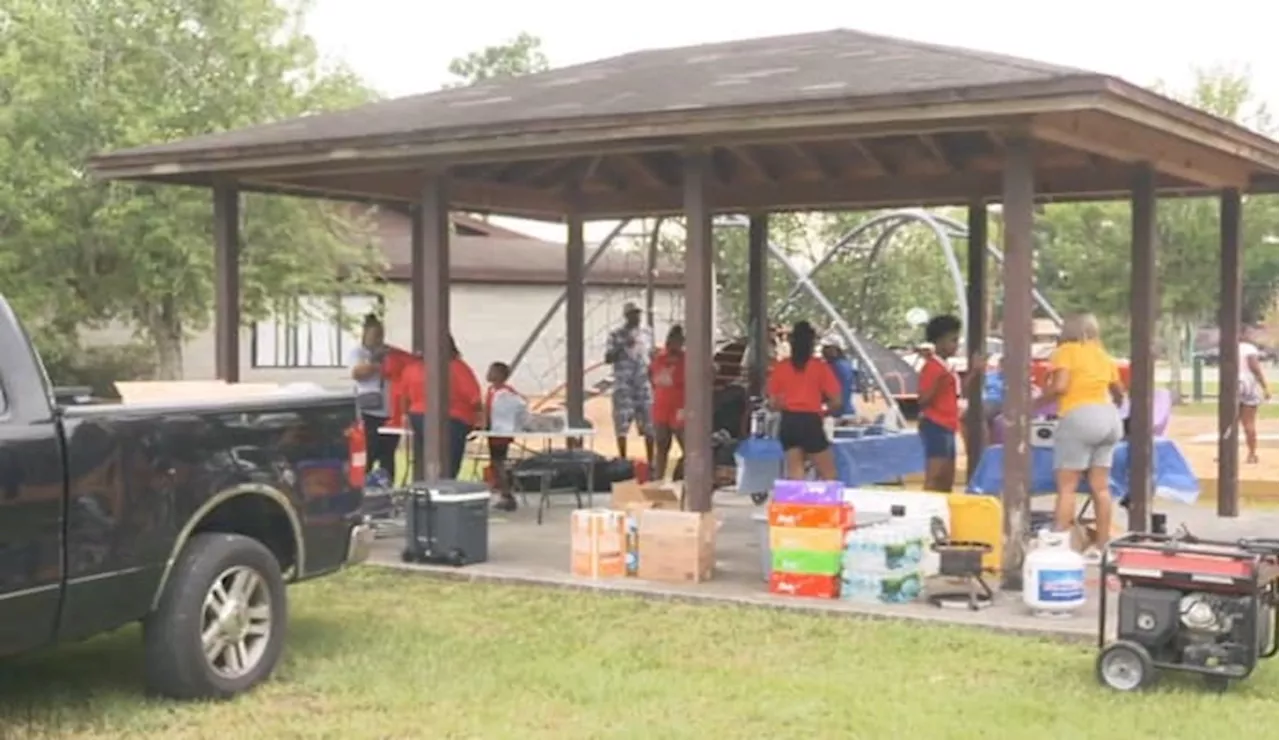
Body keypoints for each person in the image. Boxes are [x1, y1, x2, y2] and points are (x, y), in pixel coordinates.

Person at [1039, 313, 1125, 562]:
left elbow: (1060, 386)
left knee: (1067, 488)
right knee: (1101, 487)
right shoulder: (1102, 354)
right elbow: (1119, 391)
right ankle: (1102, 547)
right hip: (1109, 418)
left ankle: (1059, 548)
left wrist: (1035, 402)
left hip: (1079, 417)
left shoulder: (1066, 351)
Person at [766, 321, 840, 480]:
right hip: (810, 420)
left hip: (788, 421)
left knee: (795, 473)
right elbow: (836, 401)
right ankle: (828, 504)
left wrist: (787, 404)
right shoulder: (820, 367)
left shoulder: (781, 367)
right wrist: (824, 411)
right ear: (812, 343)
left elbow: (773, 403)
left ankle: (796, 503)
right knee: (829, 473)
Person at [400, 336, 483, 479]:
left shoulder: (412, 369)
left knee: (426, 459)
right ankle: (444, 489)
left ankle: (427, 487)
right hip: (454, 418)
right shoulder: (458, 367)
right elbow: (473, 397)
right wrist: (480, 418)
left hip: (418, 417)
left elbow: (404, 397)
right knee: (449, 461)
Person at [347, 314, 399, 484]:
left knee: (388, 454)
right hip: (369, 410)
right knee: (369, 452)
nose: (378, 339)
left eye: (380, 335)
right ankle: (363, 485)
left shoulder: (388, 351)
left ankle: (388, 485)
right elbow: (357, 373)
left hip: (389, 410)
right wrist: (376, 363)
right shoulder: (358, 352)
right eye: (374, 335)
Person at [917, 315, 963, 492]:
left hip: (948, 424)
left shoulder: (945, 367)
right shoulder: (933, 367)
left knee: (947, 476)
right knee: (934, 476)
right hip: (936, 424)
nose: (956, 344)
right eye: (953, 340)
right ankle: (925, 512)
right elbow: (923, 399)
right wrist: (940, 381)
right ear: (939, 341)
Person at [604, 302, 653, 463]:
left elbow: (651, 356)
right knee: (622, 423)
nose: (636, 317)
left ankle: (651, 460)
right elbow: (608, 358)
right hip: (624, 385)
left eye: (638, 313)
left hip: (643, 384)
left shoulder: (646, 333)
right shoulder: (616, 334)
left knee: (648, 424)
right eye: (633, 314)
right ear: (626, 316)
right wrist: (623, 345)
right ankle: (623, 459)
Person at [485, 362, 525, 511]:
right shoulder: (491, 390)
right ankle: (503, 492)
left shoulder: (505, 392)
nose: (488, 374)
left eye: (492, 371)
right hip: (492, 432)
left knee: (498, 462)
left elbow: (518, 405)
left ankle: (507, 494)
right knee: (495, 463)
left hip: (501, 433)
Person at [650, 325, 686, 480]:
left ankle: (678, 474)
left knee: (688, 446)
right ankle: (658, 481)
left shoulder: (687, 359)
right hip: (662, 406)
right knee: (662, 445)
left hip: (680, 407)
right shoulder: (659, 359)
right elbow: (651, 375)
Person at [1237, 332, 1271, 464]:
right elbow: (1255, 368)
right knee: (1249, 423)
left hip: (1232, 384)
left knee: (1229, 422)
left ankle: (1226, 454)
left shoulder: (1229, 347)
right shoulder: (1249, 348)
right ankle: (1251, 454)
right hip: (1248, 383)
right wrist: (1265, 387)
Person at [821, 341, 857, 418]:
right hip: (846, 409)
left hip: (836, 411)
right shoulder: (846, 364)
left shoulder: (834, 366)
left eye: (828, 348)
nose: (824, 351)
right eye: (824, 348)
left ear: (836, 350)